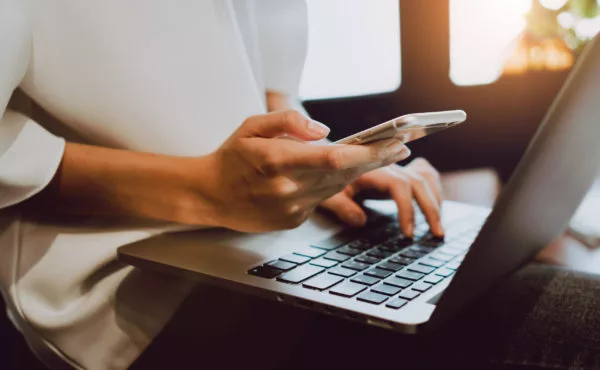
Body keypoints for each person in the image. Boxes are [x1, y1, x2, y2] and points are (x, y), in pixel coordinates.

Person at [0, 1, 445, 368]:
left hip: (270, 246)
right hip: (126, 296)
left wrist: (326, 167)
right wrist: (206, 191)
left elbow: (273, 85)